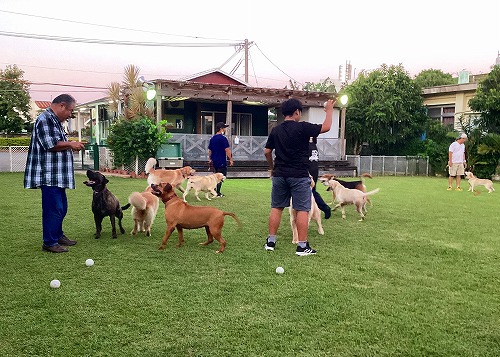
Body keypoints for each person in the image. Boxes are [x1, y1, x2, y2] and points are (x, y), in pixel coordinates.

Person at [264, 98, 335, 256]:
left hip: (280, 174)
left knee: (277, 207)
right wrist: (329, 110)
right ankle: (302, 247)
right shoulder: (303, 128)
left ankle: (271, 242)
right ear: (297, 112)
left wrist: (272, 167)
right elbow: (327, 127)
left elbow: (267, 152)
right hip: (299, 175)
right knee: (302, 209)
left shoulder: (276, 130)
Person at [24, 94, 86, 253]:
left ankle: (58, 235)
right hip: (49, 175)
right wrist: (71, 144)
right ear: (62, 105)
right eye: (70, 111)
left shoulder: (55, 121)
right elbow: (50, 144)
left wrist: (69, 144)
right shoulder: (45, 119)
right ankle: (49, 242)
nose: (70, 115)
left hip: (57, 175)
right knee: (54, 208)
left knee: (61, 207)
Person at [208, 121, 234, 197]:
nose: (225, 129)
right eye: (224, 128)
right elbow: (227, 150)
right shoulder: (223, 139)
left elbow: (210, 150)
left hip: (214, 160)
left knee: (215, 176)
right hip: (221, 160)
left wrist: (210, 159)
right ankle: (218, 193)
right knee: (221, 176)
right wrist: (231, 159)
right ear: (221, 129)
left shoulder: (212, 138)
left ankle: (214, 190)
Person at [308, 137, 331, 219]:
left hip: (308, 172)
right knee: (311, 191)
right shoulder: (314, 145)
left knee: (311, 192)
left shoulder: (306, 146)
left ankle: (324, 207)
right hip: (314, 171)